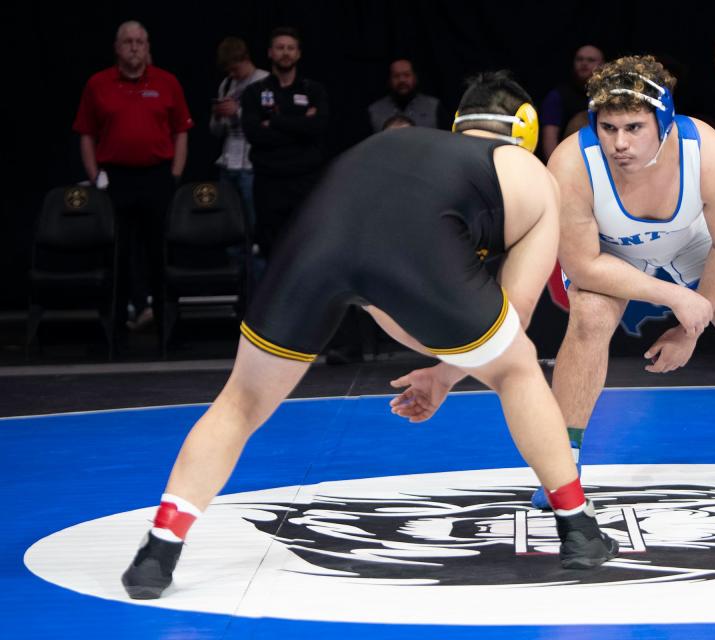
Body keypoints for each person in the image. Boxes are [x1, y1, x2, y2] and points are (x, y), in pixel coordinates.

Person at [121, 71, 618, 600]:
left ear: (457, 123)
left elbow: (372, 281)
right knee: (518, 364)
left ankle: (158, 551)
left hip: (316, 242)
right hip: (411, 262)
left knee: (240, 400)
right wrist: (448, 374)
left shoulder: (398, 142)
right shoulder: (530, 173)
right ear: (523, 128)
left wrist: (444, 358)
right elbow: (511, 318)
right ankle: (578, 528)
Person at [391, 56, 715, 509]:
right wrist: (675, 299)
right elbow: (587, 265)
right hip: (611, 253)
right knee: (589, 318)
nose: (619, 143)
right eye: (608, 128)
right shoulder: (573, 161)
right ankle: (563, 464)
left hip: (693, 243)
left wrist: (691, 326)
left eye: (633, 127)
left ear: (665, 121)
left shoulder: (708, 153)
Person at [73, 20, 193, 334]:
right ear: (117, 48)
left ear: (148, 46)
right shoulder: (98, 84)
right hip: (115, 179)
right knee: (117, 254)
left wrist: (175, 174)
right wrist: (95, 175)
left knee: (160, 252)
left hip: (157, 177)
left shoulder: (167, 82)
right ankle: (115, 327)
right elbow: (86, 134)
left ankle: (167, 327)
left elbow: (181, 130)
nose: (134, 47)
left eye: (140, 41)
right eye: (128, 41)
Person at [241, 27, 329, 260]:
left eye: (291, 48)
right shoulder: (254, 92)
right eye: (280, 48)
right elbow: (255, 134)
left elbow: (318, 129)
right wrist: (300, 124)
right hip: (269, 184)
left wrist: (275, 121)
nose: (285, 53)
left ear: (298, 54)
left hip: (305, 182)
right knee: (271, 251)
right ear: (270, 53)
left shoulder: (313, 90)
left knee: (307, 246)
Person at [210, 37, 269, 233]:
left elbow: (268, 125)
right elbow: (215, 132)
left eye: (235, 69)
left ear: (246, 59)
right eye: (228, 70)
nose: (232, 74)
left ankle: (255, 263)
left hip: (251, 166)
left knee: (253, 223)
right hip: (227, 164)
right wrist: (218, 116)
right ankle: (232, 263)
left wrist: (238, 111)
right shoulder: (226, 84)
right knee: (229, 224)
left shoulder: (265, 82)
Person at [540, 45, 605, 160]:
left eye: (590, 60)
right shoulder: (557, 96)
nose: (584, 63)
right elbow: (549, 140)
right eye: (580, 59)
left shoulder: (610, 96)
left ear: (603, 65)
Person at [367, 59, 447, 132]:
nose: (402, 80)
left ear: (415, 77)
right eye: (396, 76)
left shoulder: (434, 106)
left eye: (407, 75)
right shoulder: (374, 111)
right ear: (389, 80)